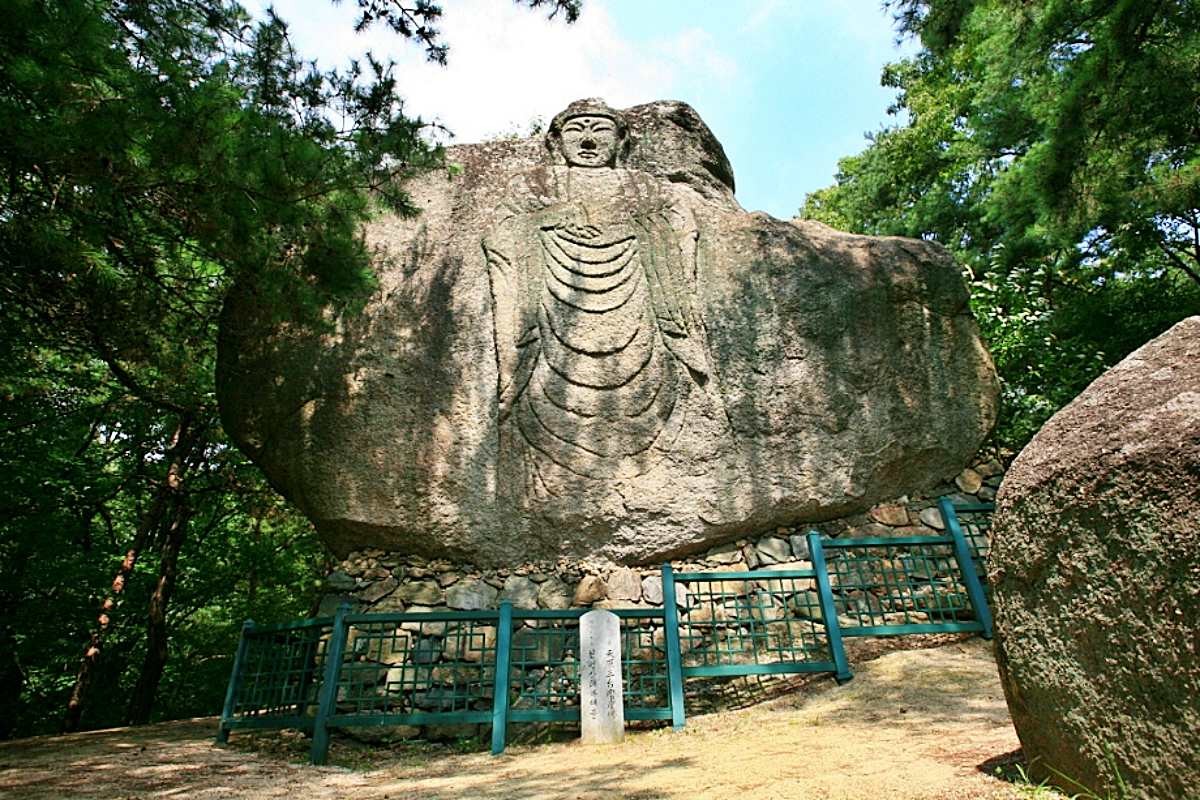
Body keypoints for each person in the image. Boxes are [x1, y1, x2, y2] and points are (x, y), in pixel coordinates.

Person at [483, 99, 710, 489]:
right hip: (552, 321)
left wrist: (631, 229)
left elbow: (681, 227)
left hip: (638, 317)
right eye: (576, 129)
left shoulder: (645, 187)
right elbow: (500, 234)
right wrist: (551, 220)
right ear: (557, 141)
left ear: (621, 141)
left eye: (599, 129)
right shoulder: (533, 185)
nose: (587, 139)